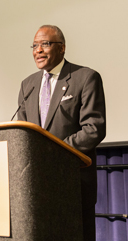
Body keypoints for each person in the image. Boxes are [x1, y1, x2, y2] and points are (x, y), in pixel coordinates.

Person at [17, 25, 106, 241]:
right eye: (35, 45)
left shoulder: (85, 77)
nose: (38, 50)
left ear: (62, 48)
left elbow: (94, 127)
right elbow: (22, 134)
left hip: (73, 182)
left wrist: (55, 151)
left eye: (45, 44)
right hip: (37, 186)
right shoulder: (27, 85)